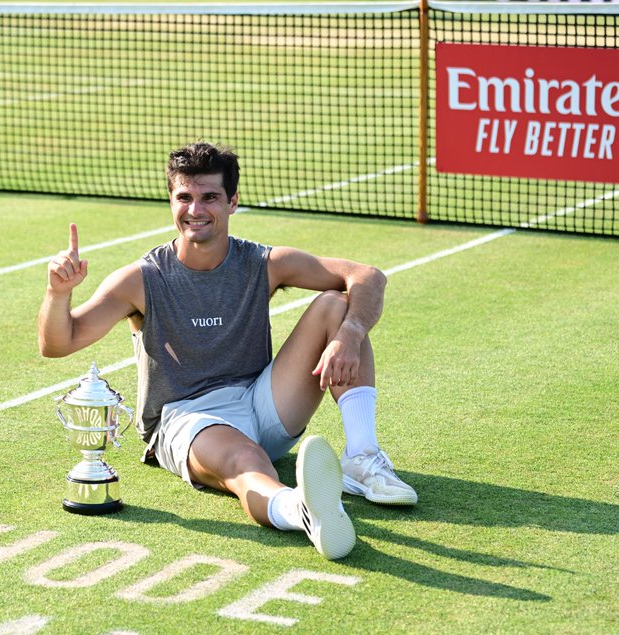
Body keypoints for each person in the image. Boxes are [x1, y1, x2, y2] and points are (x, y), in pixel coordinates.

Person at [38, 141, 416, 560]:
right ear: (170, 200)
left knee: (336, 305)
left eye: (210, 198)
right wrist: (58, 294)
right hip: (188, 417)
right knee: (245, 459)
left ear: (233, 202)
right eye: (184, 197)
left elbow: (367, 276)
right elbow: (59, 343)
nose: (195, 210)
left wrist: (350, 334)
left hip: (262, 401)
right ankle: (299, 510)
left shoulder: (261, 263)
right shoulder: (142, 279)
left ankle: (362, 458)